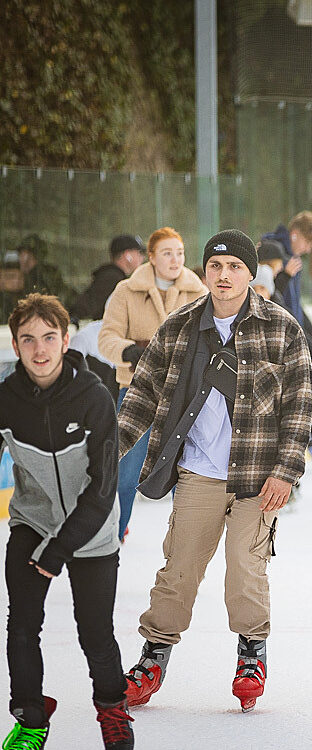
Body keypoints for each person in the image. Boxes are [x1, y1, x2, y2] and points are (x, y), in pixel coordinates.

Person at [118, 230, 312, 713]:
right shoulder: (180, 326)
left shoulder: (281, 328)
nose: (224, 276)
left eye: (234, 268)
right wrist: (105, 456)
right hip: (198, 474)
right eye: (215, 267)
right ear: (206, 273)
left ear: (250, 273)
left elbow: (298, 408)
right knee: (178, 572)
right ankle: (153, 656)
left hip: (257, 478)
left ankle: (251, 655)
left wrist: (285, 473)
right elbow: (140, 397)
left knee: (247, 571)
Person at [1, 294, 134, 750]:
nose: (39, 350)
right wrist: (45, 543)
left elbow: (101, 490)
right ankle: (31, 719)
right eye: (28, 340)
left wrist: (59, 552)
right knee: (21, 625)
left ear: (65, 339)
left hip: (92, 531)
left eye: (49, 337)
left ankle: (113, 709)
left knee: (94, 632)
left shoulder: (94, 396)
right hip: (33, 522)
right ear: (16, 345)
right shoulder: (6, 399)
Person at [97, 227, 206, 542]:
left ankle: (186, 544)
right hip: (137, 392)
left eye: (180, 253)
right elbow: (106, 338)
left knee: (185, 474)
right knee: (125, 471)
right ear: (152, 257)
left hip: (183, 394)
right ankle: (110, 538)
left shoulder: (197, 292)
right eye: (167, 253)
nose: (175, 260)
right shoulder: (125, 291)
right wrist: (129, 350)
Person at [256, 236, 312, 466]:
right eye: (276, 266)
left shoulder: (279, 301)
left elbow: (301, 334)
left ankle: (308, 444)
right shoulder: (264, 296)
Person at [71, 234, 147, 322]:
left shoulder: (112, 276)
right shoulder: (111, 278)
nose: (142, 258)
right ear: (127, 255)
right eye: (139, 253)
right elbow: (87, 310)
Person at [15, 234, 73, 307]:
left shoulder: (43, 277)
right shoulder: (49, 274)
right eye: (20, 254)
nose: (20, 258)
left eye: (23, 254)